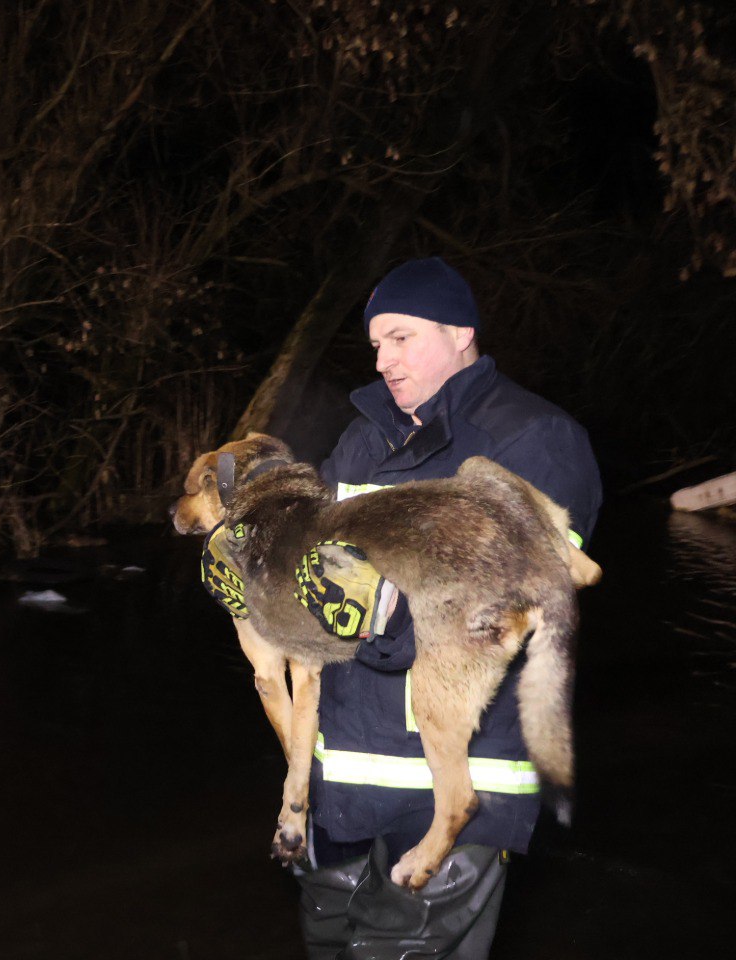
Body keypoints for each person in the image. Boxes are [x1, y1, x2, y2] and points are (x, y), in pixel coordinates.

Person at [296, 257, 602, 959]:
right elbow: (314, 561)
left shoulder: (533, 437)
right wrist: (260, 574)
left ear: (460, 331)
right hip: (342, 781)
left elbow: (507, 594)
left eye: (402, 338)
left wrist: (377, 612)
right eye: (376, 344)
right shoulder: (362, 438)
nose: (384, 359)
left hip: (453, 793)